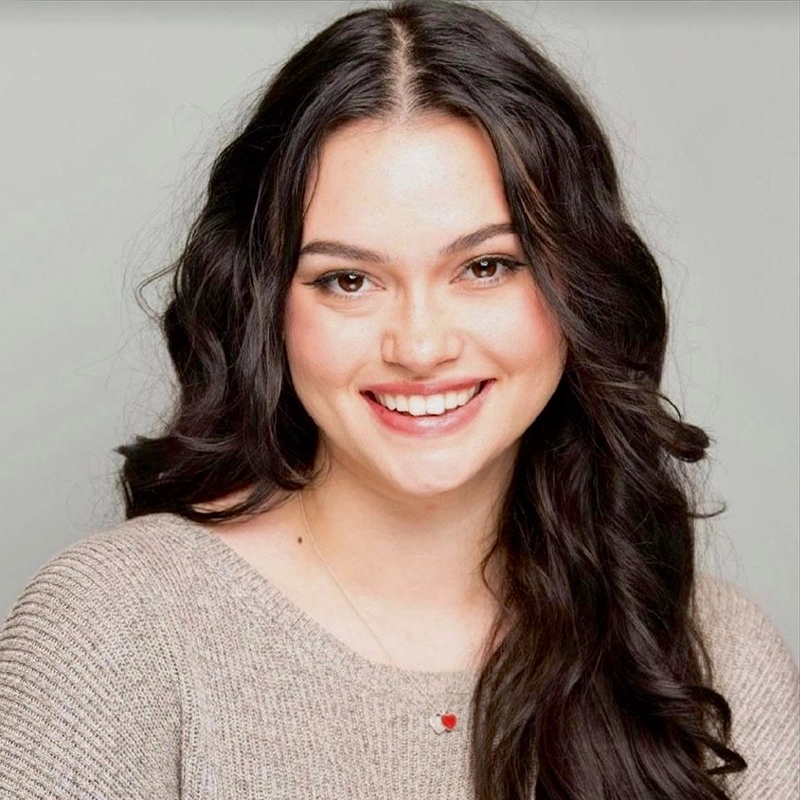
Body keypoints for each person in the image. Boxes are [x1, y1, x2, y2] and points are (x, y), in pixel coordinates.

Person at [0, 1, 797, 798]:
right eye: (348, 280)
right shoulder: (113, 632)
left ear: (578, 283)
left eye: (485, 267)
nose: (419, 347)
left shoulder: (714, 656)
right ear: (263, 305)